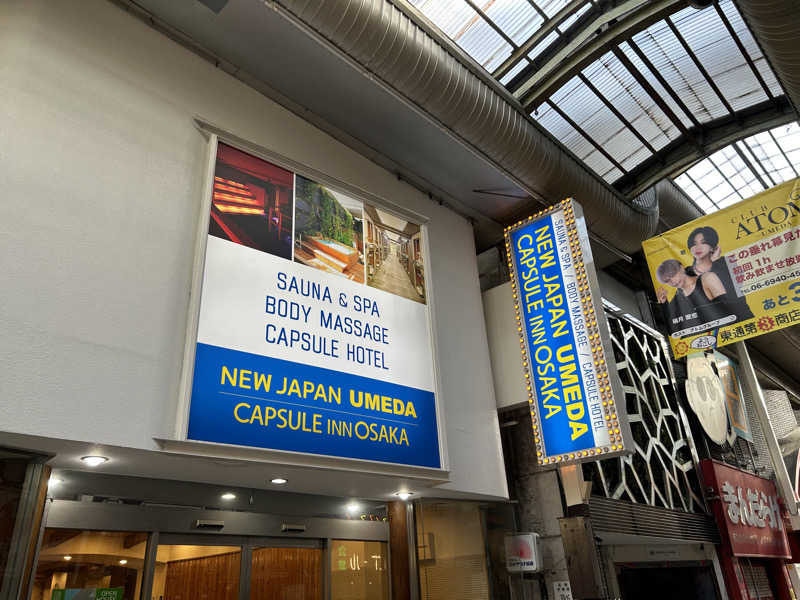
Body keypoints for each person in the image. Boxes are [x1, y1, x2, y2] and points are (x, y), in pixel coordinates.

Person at [687, 226, 754, 321]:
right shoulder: (687, 272)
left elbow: (733, 290)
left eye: (703, 242)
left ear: (712, 247)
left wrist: (715, 262)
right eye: (694, 244)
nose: (698, 247)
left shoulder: (727, 262)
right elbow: (684, 302)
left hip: (739, 317)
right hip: (712, 323)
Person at [656, 259, 729, 335]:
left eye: (673, 275)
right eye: (667, 280)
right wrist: (664, 304)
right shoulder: (676, 301)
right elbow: (673, 330)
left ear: (681, 268)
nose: (673, 281)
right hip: (703, 339)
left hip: (724, 333)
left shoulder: (707, 278)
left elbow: (727, 307)